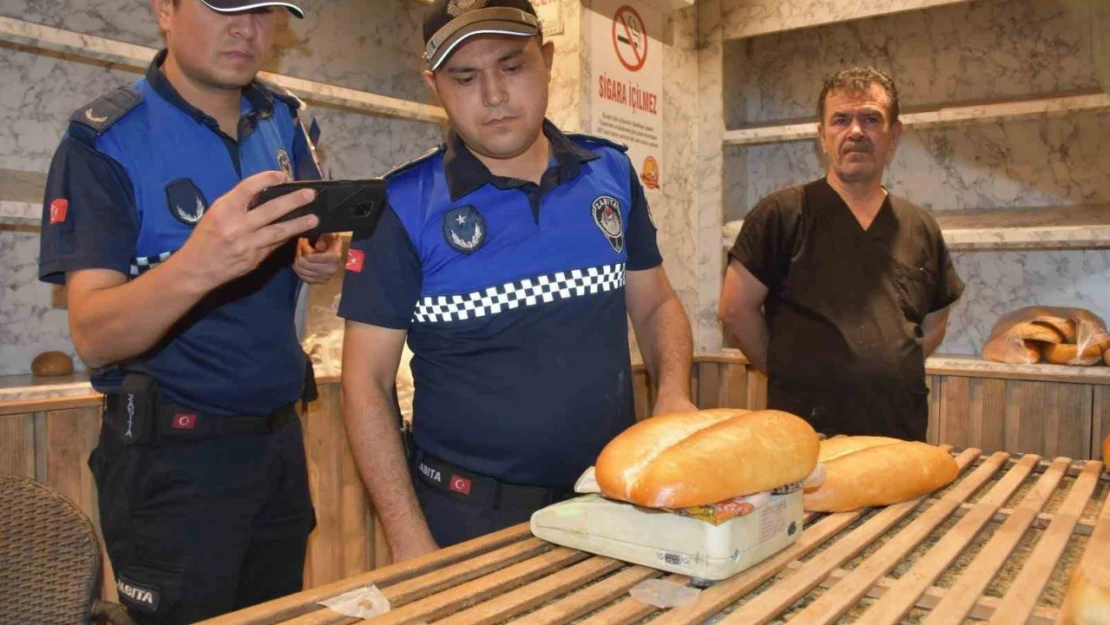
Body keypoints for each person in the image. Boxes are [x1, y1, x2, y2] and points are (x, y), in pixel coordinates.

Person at [338, 0, 696, 560]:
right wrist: (410, 542)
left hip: (610, 506)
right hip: (468, 521)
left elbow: (655, 305)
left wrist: (673, 390)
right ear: (435, 86)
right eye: (465, 77)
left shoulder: (610, 174)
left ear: (547, 59)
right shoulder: (400, 208)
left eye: (511, 66)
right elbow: (365, 384)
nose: (494, 96)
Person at [37, 1, 342, 622]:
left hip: (279, 444)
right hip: (171, 463)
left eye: (265, 11)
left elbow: (319, 228)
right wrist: (201, 261)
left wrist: (318, 252)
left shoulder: (285, 121)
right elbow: (94, 333)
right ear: (165, 10)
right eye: (223, 6)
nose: (247, 28)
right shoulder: (105, 141)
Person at [719, 66, 964, 442]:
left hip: (899, 432)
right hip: (805, 433)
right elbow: (735, 311)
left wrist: (887, 370)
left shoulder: (920, 226)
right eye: (840, 120)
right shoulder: (783, 214)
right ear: (822, 135)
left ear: (894, 134)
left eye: (871, 119)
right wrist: (792, 374)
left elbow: (935, 322)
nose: (855, 132)